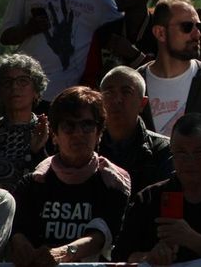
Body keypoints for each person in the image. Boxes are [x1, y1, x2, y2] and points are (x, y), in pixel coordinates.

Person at [113, 113, 201, 264]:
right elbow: (121, 255)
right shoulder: (148, 199)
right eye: (181, 153)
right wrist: (149, 258)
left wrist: (193, 240)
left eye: (199, 153)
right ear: (172, 154)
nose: (190, 161)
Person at [8, 86, 131, 264]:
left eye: (87, 125)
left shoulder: (113, 182)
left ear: (99, 133)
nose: (78, 133)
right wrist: (19, 242)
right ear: (54, 135)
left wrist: (65, 253)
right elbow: (16, 226)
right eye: (69, 126)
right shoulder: (34, 182)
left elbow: (101, 235)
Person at [0, 0, 120, 105]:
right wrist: (28, 29)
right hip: (24, 93)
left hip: (67, 97)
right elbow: (5, 37)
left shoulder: (97, 0)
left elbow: (124, 29)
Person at [138, 0, 201, 135]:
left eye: (198, 26)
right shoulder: (134, 86)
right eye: (187, 27)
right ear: (160, 33)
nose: (197, 34)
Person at [97, 66, 173, 193]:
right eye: (109, 93)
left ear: (142, 103)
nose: (117, 100)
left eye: (126, 92)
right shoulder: (87, 147)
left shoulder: (164, 150)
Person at [82, 0, 161, 87]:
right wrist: (102, 78)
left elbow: (166, 75)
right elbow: (89, 77)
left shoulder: (161, 33)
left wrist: (134, 55)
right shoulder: (105, 33)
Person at [0, 55, 49, 191]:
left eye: (23, 81)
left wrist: (39, 151)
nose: (14, 87)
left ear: (36, 91)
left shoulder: (48, 132)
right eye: (7, 82)